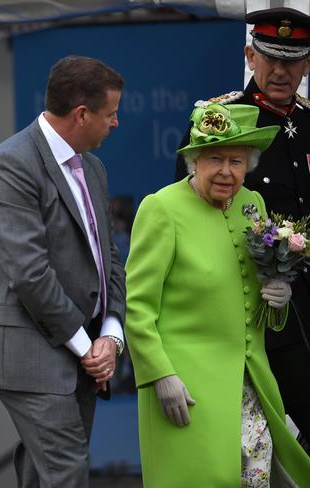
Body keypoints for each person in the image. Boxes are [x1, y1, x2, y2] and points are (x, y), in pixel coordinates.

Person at [0, 55, 126, 488]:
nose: (116, 123)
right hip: (29, 351)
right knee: (67, 468)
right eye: (110, 114)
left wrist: (111, 332)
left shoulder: (93, 166)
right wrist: (85, 344)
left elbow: (108, 256)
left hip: (81, 349)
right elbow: (29, 273)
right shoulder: (10, 164)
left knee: (44, 470)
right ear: (81, 114)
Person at [128, 103, 310, 486]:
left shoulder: (252, 205)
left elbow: (250, 292)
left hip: (251, 381)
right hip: (187, 387)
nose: (227, 171)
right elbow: (139, 307)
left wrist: (276, 298)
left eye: (237, 161)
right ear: (193, 160)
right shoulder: (161, 209)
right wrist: (160, 374)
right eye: (215, 158)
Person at [174, 7, 310, 449]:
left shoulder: (308, 121)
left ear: (307, 66)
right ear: (250, 57)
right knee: (253, 446)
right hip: (252, 309)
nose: (280, 70)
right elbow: (189, 214)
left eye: (292, 61)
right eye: (271, 58)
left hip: (306, 306)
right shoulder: (223, 120)